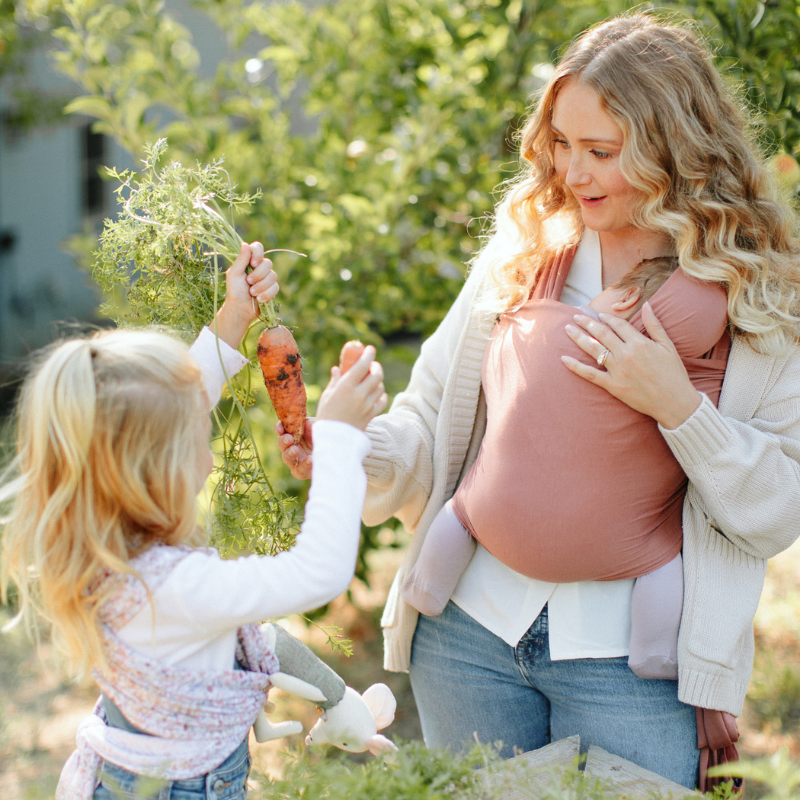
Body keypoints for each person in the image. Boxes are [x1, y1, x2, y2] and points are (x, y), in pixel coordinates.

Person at [276, 14, 800, 789]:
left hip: (633, 665)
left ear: (674, 146)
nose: (574, 171)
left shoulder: (753, 290)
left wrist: (679, 411)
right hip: (469, 638)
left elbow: (780, 504)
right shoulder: (526, 251)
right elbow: (430, 419)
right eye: (561, 143)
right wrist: (352, 453)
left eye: (601, 151)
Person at [0, 242, 388, 800]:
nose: (208, 457)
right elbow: (318, 574)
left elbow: (171, 412)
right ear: (153, 477)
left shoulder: (110, 550)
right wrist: (341, 439)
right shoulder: (173, 590)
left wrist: (234, 320)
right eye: (196, 442)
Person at [399, 254, 729, 683]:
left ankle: (425, 586)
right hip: (494, 620)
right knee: (664, 562)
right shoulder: (695, 375)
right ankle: (654, 653)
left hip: (493, 530)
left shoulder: (541, 320)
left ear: (626, 297)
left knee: (460, 512)